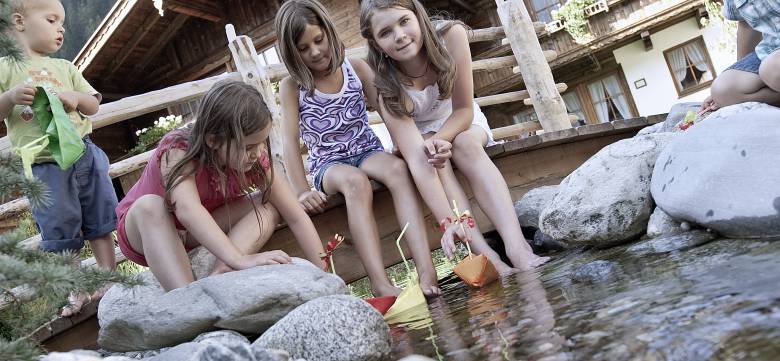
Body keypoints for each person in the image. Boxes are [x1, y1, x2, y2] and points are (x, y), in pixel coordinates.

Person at [359, 0, 550, 272]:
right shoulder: (381, 79)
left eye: (404, 21)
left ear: (418, 15)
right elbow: (415, 154)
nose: (399, 35)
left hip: (461, 121)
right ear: (376, 43)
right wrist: (447, 222)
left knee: (465, 146)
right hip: (417, 139)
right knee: (435, 163)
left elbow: (463, 110)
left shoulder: (451, 36)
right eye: (385, 32)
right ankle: (488, 259)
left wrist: (442, 137)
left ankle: (517, 248)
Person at [275, 0, 445, 296]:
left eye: (318, 40)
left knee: (398, 170)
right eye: (303, 48)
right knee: (356, 183)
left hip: (367, 149)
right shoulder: (292, 87)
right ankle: (380, 284)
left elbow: (388, 111)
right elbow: (289, 142)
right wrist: (302, 191)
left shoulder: (355, 68)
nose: (315, 51)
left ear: (329, 31)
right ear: (292, 53)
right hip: (328, 165)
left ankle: (426, 271)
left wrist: (402, 147)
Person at [115, 80, 327, 291]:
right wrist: (240, 259)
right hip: (148, 229)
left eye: (262, 142)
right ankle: (190, 300)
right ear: (213, 140)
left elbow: (295, 215)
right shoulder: (178, 149)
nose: (259, 152)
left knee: (271, 204)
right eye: (250, 146)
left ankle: (223, 272)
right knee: (150, 206)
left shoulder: (254, 158)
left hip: (195, 231)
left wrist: (325, 275)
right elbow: (188, 210)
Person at [0, 0, 117, 315]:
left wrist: (75, 98)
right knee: (60, 228)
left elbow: (93, 104)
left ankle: (108, 278)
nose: (61, 27)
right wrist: (9, 98)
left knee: (99, 217)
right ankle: (74, 289)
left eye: (62, 22)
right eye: (52, 20)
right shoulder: (5, 68)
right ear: (20, 22)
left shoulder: (65, 67)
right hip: (44, 162)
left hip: (83, 151)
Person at [706, 0, 780, 110]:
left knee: (770, 69)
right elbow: (746, 25)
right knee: (722, 90)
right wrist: (740, 75)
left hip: (772, 64)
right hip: (770, 49)